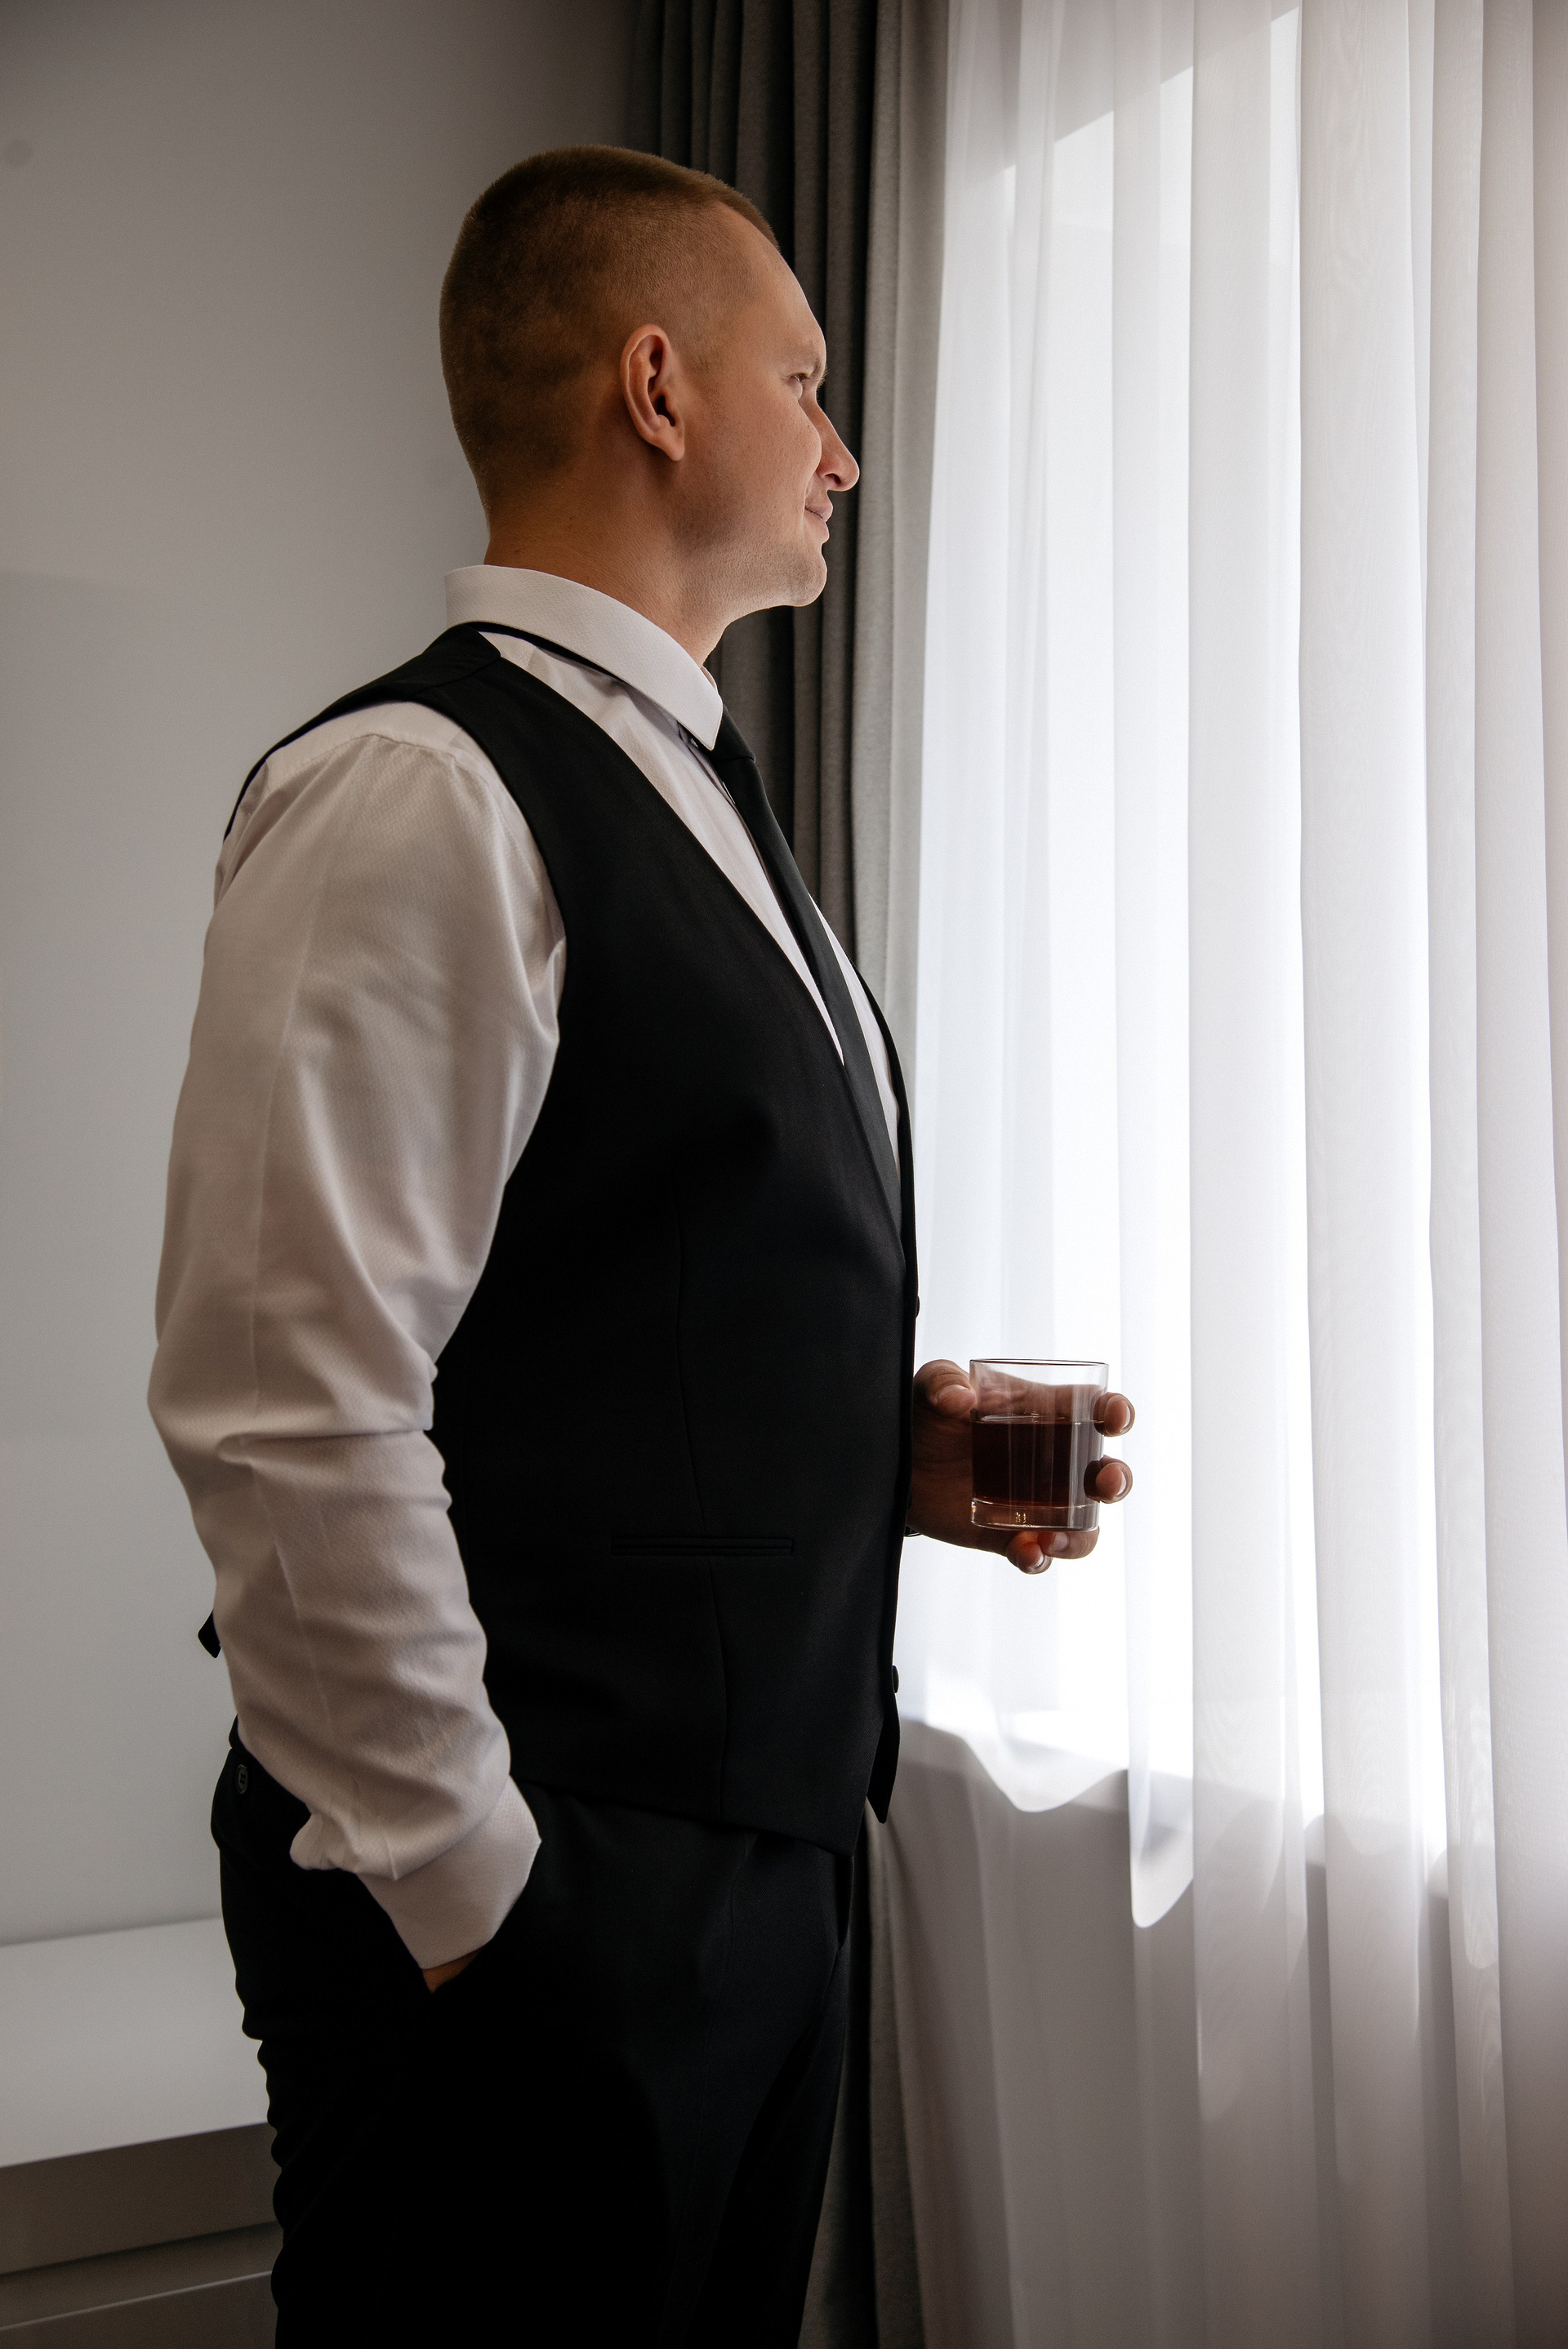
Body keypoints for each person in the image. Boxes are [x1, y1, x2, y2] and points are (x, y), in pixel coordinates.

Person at [149, 145, 1132, 2346]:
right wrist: (485, 1907)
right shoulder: (419, 789)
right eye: (808, 381)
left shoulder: (700, 790)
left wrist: (869, 1457)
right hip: (540, 1907)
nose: (843, 450)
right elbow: (286, 1400)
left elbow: (604, 1323)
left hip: (751, 1881)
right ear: (660, 388)